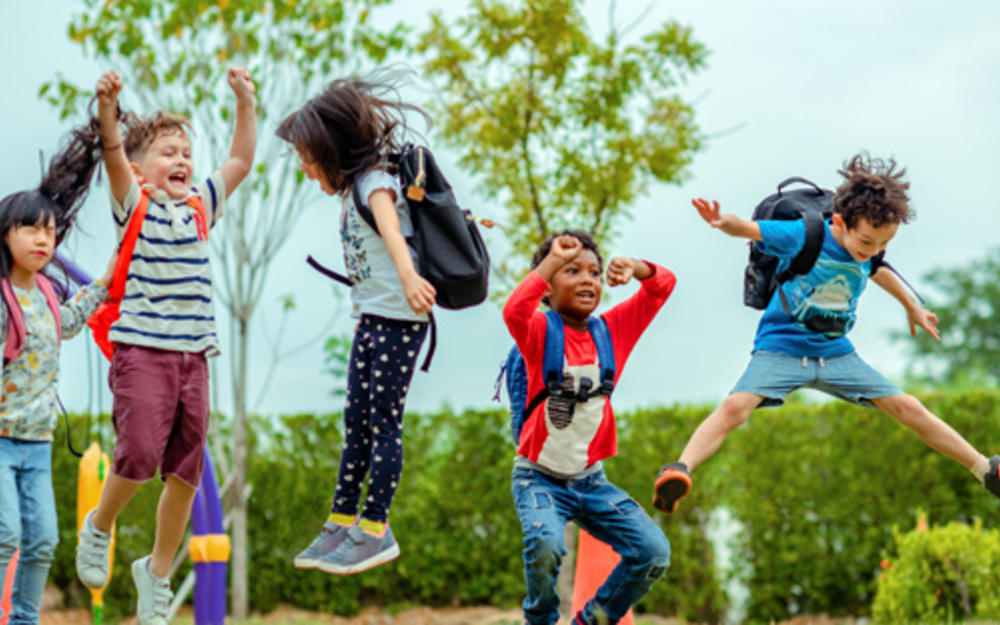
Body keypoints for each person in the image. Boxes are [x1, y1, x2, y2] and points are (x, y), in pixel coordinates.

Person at [652, 154, 1000, 516]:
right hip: (781, 348)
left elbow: (879, 271)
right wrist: (722, 221)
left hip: (836, 353)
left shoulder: (869, 249)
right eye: (867, 241)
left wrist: (911, 306)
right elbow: (749, 229)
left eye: (884, 243)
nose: (873, 251)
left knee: (908, 407)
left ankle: (986, 470)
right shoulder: (805, 236)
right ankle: (679, 469)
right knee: (735, 407)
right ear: (840, 221)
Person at [75, 67, 256, 625]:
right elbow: (110, 151)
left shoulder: (202, 206)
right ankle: (98, 526)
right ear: (139, 168)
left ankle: (154, 572)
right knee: (138, 455)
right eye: (167, 153)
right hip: (143, 352)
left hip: (194, 357)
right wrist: (108, 109)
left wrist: (245, 104)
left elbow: (242, 161)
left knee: (185, 471)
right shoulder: (136, 203)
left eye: (186, 152)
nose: (181, 161)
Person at [277, 76, 436, 574]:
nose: (304, 169)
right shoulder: (350, 191)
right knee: (357, 424)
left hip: (398, 321)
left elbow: (390, 226)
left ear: (333, 149)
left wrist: (410, 278)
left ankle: (375, 529)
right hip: (372, 319)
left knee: (383, 423)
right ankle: (342, 520)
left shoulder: (373, 182)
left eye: (308, 158)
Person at [504, 231, 675, 625]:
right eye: (572, 270)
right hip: (539, 480)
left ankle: (594, 619)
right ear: (546, 287)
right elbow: (514, 310)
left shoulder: (613, 331)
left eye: (595, 273)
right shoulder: (539, 333)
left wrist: (635, 268)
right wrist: (549, 263)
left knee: (652, 551)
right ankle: (541, 620)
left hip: (591, 482)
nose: (587, 279)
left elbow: (662, 287)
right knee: (546, 545)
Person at [0, 117, 114, 625]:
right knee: (5, 534)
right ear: (6, 234)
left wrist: (110, 276)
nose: (43, 240)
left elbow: (70, 323)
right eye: (31, 229)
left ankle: (24, 621)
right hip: (0, 438)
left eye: (50, 231)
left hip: (38, 441)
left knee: (43, 538)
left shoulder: (47, 293)